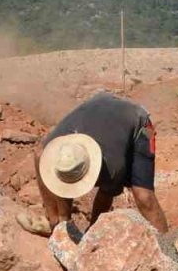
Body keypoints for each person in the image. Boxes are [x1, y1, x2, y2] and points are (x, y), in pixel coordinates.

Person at [18, 92, 168, 235]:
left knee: (144, 196)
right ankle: (54, 221)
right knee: (49, 162)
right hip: (98, 106)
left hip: (140, 124)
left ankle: (167, 250)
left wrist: (92, 233)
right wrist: (62, 221)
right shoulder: (56, 147)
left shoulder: (112, 168)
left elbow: (105, 198)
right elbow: (41, 156)